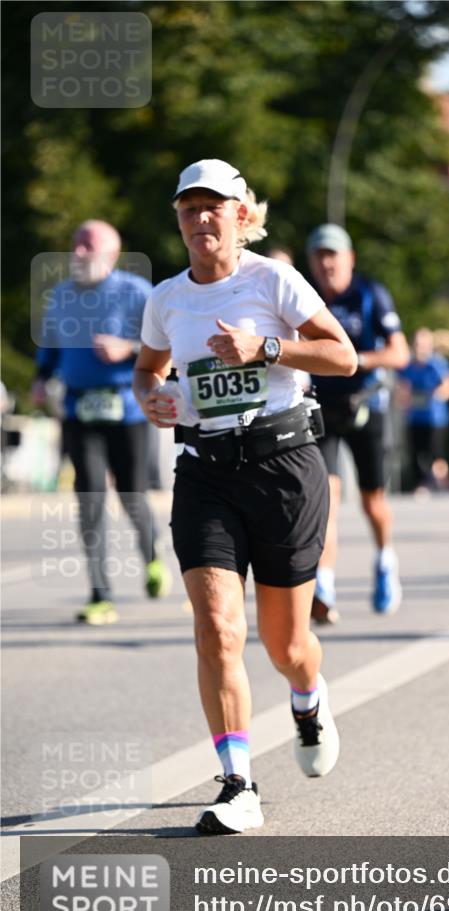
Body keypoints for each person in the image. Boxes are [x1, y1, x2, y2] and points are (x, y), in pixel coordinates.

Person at [134, 159, 357, 834]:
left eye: (213, 206)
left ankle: (307, 697)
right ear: (178, 220)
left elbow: (342, 356)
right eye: (188, 208)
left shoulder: (273, 280)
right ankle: (237, 783)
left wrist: (265, 347)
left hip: (283, 467)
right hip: (205, 472)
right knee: (217, 628)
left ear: (240, 215)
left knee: (285, 646)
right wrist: (151, 398)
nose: (200, 218)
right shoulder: (166, 298)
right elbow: (147, 370)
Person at [32, 220, 171, 625]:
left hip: (127, 409)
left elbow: (164, 346)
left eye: (87, 245)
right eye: (75, 244)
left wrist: (127, 348)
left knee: (131, 494)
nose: (77, 252)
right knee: (89, 497)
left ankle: (151, 552)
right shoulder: (61, 295)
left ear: (110, 254)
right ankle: (100, 592)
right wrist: (41, 378)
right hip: (79, 410)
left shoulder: (136, 292)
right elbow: (50, 348)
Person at [306, 224, 410, 623]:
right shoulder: (307, 298)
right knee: (326, 500)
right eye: (319, 256)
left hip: (365, 407)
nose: (327, 264)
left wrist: (354, 360)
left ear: (349, 259)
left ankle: (385, 560)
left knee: (372, 502)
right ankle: (324, 586)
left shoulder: (370, 294)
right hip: (322, 408)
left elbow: (399, 353)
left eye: (333, 255)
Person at [397, 327, 449, 494]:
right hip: (414, 417)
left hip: (435, 418)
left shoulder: (437, 364)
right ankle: (423, 484)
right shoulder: (408, 366)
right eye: (418, 344)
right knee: (416, 454)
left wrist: (437, 395)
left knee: (435, 453)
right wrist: (405, 400)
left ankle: (440, 482)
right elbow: (401, 388)